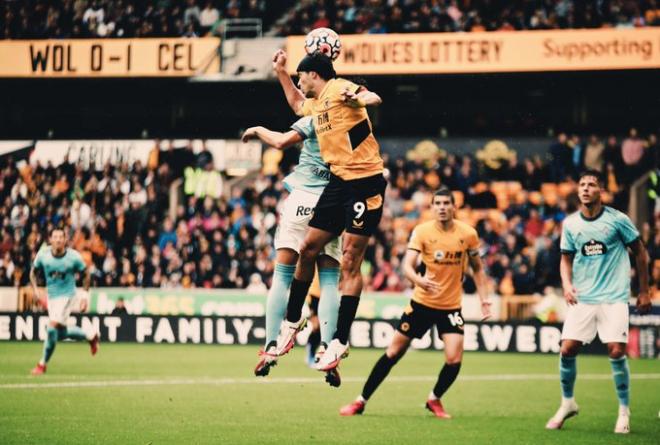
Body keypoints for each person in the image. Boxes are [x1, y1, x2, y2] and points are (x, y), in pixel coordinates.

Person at [271, 49, 386, 373]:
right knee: (307, 248)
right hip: (339, 183)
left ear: (315, 76)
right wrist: (280, 72)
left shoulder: (337, 89)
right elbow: (296, 103)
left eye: (300, 76)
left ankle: (339, 340)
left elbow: (371, 96)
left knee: (350, 259)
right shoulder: (316, 103)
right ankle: (292, 322)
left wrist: (361, 97)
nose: (298, 81)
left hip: (366, 183)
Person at [340, 187, 492, 417]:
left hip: (450, 307)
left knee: (454, 359)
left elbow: (478, 270)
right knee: (393, 353)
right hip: (421, 303)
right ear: (432, 207)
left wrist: (484, 299)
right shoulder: (422, 232)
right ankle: (361, 400)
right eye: (437, 203)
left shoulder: (468, 234)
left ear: (454, 207)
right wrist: (419, 281)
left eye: (446, 203)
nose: (442, 207)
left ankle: (434, 399)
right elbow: (407, 267)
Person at [546, 170, 651, 434]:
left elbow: (640, 252)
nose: (585, 188)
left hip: (614, 297)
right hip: (584, 298)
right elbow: (565, 258)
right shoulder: (570, 224)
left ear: (600, 191)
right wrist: (567, 285)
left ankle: (623, 412)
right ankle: (567, 403)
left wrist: (644, 290)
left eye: (591, 184)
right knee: (567, 349)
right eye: (582, 184)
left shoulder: (618, 220)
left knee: (616, 350)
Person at [241, 116, 342, 386]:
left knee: (282, 276)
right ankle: (327, 348)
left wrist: (258, 127)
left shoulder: (316, 113)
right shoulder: (352, 121)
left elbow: (281, 141)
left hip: (302, 198)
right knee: (330, 281)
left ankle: (271, 344)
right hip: (332, 200)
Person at [30, 228, 99, 375]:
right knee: (58, 334)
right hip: (52, 298)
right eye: (55, 237)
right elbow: (33, 272)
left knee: (51, 327)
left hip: (68, 296)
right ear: (50, 239)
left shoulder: (73, 257)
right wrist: (36, 290)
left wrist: (84, 296)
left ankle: (42, 364)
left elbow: (86, 274)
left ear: (65, 240)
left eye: (61, 237)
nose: (58, 240)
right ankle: (90, 336)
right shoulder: (43, 255)